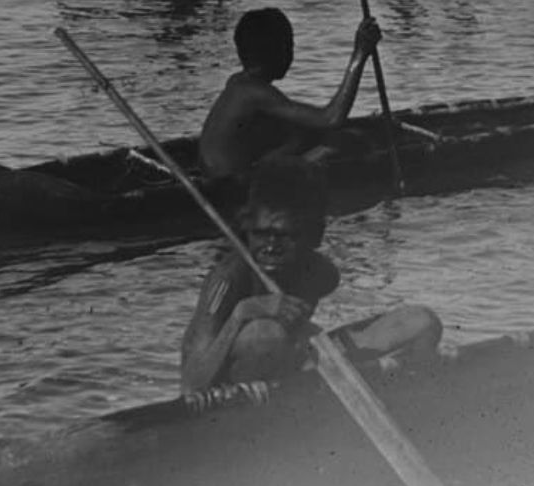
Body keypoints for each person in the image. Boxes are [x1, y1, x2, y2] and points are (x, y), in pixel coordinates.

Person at [179, 159, 442, 393]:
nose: (270, 246)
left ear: (313, 234)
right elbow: (192, 382)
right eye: (260, 233)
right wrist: (242, 313)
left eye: (284, 236)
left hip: (292, 361)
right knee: (267, 334)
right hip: (226, 381)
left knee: (421, 321)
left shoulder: (321, 274)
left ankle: (408, 395)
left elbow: (300, 339)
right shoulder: (228, 278)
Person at [197, 7, 380, 184]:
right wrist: (360, 54)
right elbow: (331, 118)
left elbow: (303, 124)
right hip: (231, 184)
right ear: (276, 51)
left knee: (296, 137)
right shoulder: (253, 93)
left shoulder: (238, 82)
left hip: (220, 174)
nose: (292, 54)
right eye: (289, 46)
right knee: (338, 144)